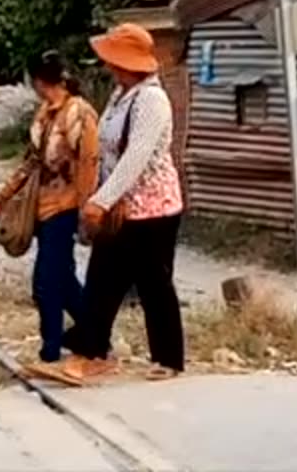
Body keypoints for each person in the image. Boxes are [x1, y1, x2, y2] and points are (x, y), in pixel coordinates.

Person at [64, 23, 185, 383]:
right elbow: (107, 150)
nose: (109, 67)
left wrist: (101, 200)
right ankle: (93, 350)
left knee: (154, 284)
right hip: (121, 206)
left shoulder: (152, 100)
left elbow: (137, 157)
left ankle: (168, 358)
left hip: (152, 209)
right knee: (102, 279)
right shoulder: (121, 96)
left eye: (114, 60)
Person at [0, 51, 99, 373]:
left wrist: (87, 207)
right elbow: (32, 162)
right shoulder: (45, 114)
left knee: (46, 283)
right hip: (43, 207)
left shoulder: (79, 113)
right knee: (63, 280)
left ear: (38, 81)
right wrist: (4, 195)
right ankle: (95, 339)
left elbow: (89, 163)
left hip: (66, 207)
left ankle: (50, 351)